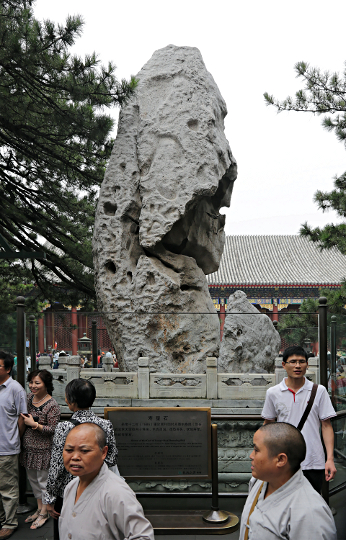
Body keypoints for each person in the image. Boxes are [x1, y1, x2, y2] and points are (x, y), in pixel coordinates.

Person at [45, 379, 118, 538]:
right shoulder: (106, 425)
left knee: (67, 531)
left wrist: (50, 497)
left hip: (69, 493)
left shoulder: (64, 427)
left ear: (70, 400)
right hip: (99, 489)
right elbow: (112, 458)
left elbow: (57, 466)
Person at [239, 422, 337, 540]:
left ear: (281, 459)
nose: (251, 455)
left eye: (256, 450)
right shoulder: (259, 482)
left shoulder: (310, 514)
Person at [262, 345, 336, 493]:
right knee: (283, 505)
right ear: (284, 365)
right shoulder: (273, 393)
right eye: (293, 361)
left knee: (311, 506)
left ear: (307, 365)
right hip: (284, 461)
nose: (297, 366)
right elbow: (268, 426)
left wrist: (330, 459)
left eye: (302, 362)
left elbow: (326, 426)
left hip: (314, 461)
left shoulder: (319, 391)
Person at [60, 423, 154, 540]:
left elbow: (143, 536)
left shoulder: (116, 492)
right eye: (69, 450)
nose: (75, 457)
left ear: (103, 452)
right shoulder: (71, 487)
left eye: (84, 451)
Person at [20, 369, 60, 529]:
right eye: (31, 382)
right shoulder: (28, 398)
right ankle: (39, 508)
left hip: (44, 450)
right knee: (33, 481)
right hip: (28, 448)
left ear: (46, 385)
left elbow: (53, 429)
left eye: (37, 383)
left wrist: (35, 425)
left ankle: (45, 512)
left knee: (44, 482)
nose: (32, 386)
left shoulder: (52, 405)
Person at [0, 351, 27, 539]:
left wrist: (14, 438)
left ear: (8, 369)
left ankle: (9, 523)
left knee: (8, 487)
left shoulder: (15, 389)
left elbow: (22, 418)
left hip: (6, 447)